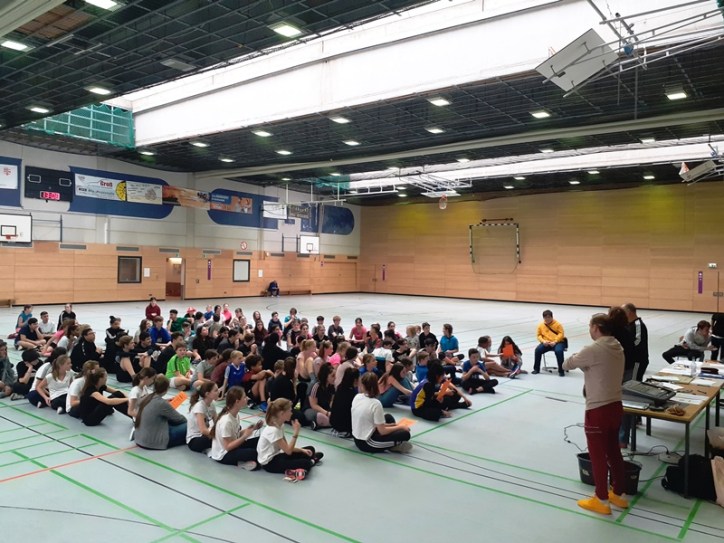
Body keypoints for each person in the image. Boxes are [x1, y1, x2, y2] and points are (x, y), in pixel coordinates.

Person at [562, 313, 628, 515]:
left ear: (596, 327)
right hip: (616, 406)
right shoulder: (617, 346)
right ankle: (619, 494)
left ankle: (601, 499)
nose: (589, 330)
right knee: (614, 451)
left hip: (598, 409)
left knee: (597, 455)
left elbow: (567, 364)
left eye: (590, 326)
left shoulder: (592, 349)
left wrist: (582, 360)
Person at [257, 398, 323, 476]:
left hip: (277, 455)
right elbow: (288, 451)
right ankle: (310, 462)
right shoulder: (273, 430)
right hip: (270, 464)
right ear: (282, 413)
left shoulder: (280, 425)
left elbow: (286, 448)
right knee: (305, 463)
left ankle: (309, 462)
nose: (291, 413)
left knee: (310, 449)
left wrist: (302, 450)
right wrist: (296, 433)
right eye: (290, 411)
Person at [352, 372, 412, 453]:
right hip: (367, 442)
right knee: (405, 434)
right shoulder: (376, 403)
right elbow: (382, 431)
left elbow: (371, 422)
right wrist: (400, 427)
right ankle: (393, 445)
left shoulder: (357, 397)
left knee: (388, 417)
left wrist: (393, 425)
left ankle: (389, 443)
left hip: (357, 438)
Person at [209, 386, 261, 468]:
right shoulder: (226, 421)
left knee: (259, 440)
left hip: (233, 447)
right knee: (253, 453)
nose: (247, 398)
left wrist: (252, 429)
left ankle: (243, 461)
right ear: (237, 401)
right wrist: (245, 436)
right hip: (223, 455)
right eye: (244, 397)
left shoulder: (235, 415)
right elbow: (228, 447)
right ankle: (241, 463)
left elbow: (235, 435)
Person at [134, 375, 187, 449]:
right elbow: (180, 419)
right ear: (166, 389)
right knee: (190, 425)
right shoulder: (161, 403)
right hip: (153, 442)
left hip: (139, 438)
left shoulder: (145, 397)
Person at [186, 381, 219, 453]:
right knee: (218, 439)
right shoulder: (199, 406)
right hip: (195, 440)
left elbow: (217, 422)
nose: (218, 391)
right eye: (216, 390)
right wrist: (219, 435)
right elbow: (203, 430)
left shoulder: (212, 403)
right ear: (207, 394)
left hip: (205, 434)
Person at [533, 310, 567, 375]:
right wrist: (543, 341)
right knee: (537, 350)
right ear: (543, 318)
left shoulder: (558, 324)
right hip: (546, 342)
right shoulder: (540, 325)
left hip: (558, 342)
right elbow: (539, 335)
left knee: (559, 351)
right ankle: (536, 369)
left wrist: (555, 341)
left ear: (552, 317)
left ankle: (561, 370)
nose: (547, 319)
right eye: (545, 318)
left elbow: (561, 334)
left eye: (549, 317)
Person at [304, 362, 335, 429]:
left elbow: (331, 402)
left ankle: (320, 424)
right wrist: (327, 413)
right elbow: (313, 405)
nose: (335, 378)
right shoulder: (316, 386)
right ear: (326, 376)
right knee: (319, 416)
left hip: (325, 409)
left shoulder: (332, 386)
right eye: (333, 376)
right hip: (311, 410)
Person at [330, 367, 358, 438]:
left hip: (334, 423)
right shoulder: (352, 393)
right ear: (355, 380)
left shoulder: (340, 387)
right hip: (345, 426)